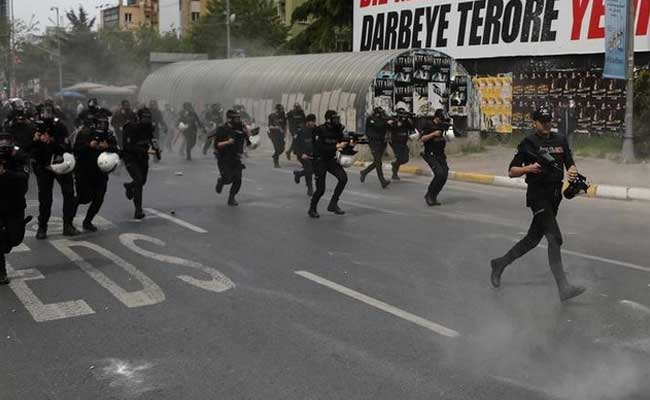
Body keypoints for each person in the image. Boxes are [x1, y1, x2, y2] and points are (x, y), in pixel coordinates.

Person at [490, 107, 586, 302]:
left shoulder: (560, 139)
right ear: (534, 123)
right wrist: (528, 168)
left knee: (532, 239)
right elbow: (511, 171)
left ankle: (499, 263)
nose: (546, 124)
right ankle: (563, 288)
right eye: (542, 121)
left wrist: (573, 172)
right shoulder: (528, 144)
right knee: (555, 238)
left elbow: (570, 163)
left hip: (554, 197)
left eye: (548, 120)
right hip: (537, 196)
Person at [32, 104, 79, 238]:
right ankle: (42, 228)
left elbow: (66, 147)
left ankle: (68, 225)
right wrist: (35, 140)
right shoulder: (34, 127)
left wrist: (50, 141)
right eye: (44, 112)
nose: (46, 114)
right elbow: (27, 149)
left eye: (49, 112)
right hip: (43, 167)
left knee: (69, 193)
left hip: (61, 165)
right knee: (45, 198)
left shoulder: (60, 127)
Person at [73, 114, 117, 231]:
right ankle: (68, 220)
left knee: (99, 196)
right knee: (82, 197)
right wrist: (89, 145)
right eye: (100, 124)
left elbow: (117, 152)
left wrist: (107, 147)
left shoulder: (109, 135)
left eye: (104, 124)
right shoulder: (85, 133)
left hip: (101, 172)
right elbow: (76, 149)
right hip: (84, 170)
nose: (102, 126)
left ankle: (88, 221)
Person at [0, 133, 30, 285]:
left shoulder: (20, 157)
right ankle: (1, 272)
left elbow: (23, 176)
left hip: (15, 203)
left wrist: (5, 173)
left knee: (15, 238)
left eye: (7, 148)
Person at [308, 110, 350, 218]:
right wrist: (336, 147)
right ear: (328, 120)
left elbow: (343, 143)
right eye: (334, 119)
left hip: (331, 160)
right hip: (320, 160)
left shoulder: (339, 130)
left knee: (343, 178)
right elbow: (319, 148)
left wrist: (350, 143)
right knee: (321, 189)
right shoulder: (319, 130)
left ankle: (333, 203)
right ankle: (312, 208)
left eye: (338, 118)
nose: (337, 121)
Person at [122, 107, 159, 219]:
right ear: (139, 117)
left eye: (148, 117)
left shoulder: (149, 127)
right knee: (138, 180)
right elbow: (128, 146)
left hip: (143, 158)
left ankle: (129, 186)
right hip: (131, 158)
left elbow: (152, 140)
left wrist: (157, 152)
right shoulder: (130, 128)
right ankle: (138, 210)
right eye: (144, 117)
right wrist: (145, 150)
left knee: (142, 181)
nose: (147, 119)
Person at [214, 109, 247, 206]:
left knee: (238, 179)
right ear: (229, 119)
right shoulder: (222, 129)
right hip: (224, 158)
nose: (238, 120)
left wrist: (247, 130)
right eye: (235, 118)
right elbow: (217, 145)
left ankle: (231, 198)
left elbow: (248, 138)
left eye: (238, 118)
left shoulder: (239, 128)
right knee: (228, 179)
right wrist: (227, 142)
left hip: (235, 158)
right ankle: (221, 181)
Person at [420, 109, 449, 206]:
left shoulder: (442, 126)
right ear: (436, 118)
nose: (443, 121)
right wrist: (433, 134)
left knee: (444, 175)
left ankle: (434, 195)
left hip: (441, 154)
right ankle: (429, 194)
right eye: (441, 119)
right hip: (431, 154)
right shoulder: (428, 125)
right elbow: (422, 138)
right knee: (439, 174)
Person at [360, 107, 391, 188]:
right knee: (378, 162)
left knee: (377, 162)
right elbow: (378, 126)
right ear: (376, 113)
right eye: (380, 113)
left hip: (381, 143)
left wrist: (394, 122)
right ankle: (382, 181)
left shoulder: (382, 119)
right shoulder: (371, 119)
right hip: (373, 143)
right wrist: (386, 121)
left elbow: (388, 127)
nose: (382, 114)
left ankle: (364, 172)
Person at [292, 113, 317, 196]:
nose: (314, 123)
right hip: (302, 154)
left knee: (313, 169)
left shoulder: (315, 129)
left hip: (312, 153)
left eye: (314, 121)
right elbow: (295, 144)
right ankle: (310, 188)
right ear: (308, 122)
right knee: (309, 169)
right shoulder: (300, 130)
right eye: (312, 121)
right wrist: (301, 154)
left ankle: (298, 174)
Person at [389, 109, 413, 180]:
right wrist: (396, 123)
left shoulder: (406, 121)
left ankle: (394, 164)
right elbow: (390, 127)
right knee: (400, 157)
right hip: (395, 142)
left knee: (405, 159)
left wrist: (408, 119)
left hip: (403, 143)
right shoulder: (394, 120)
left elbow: (412, 127)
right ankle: (394, 174)